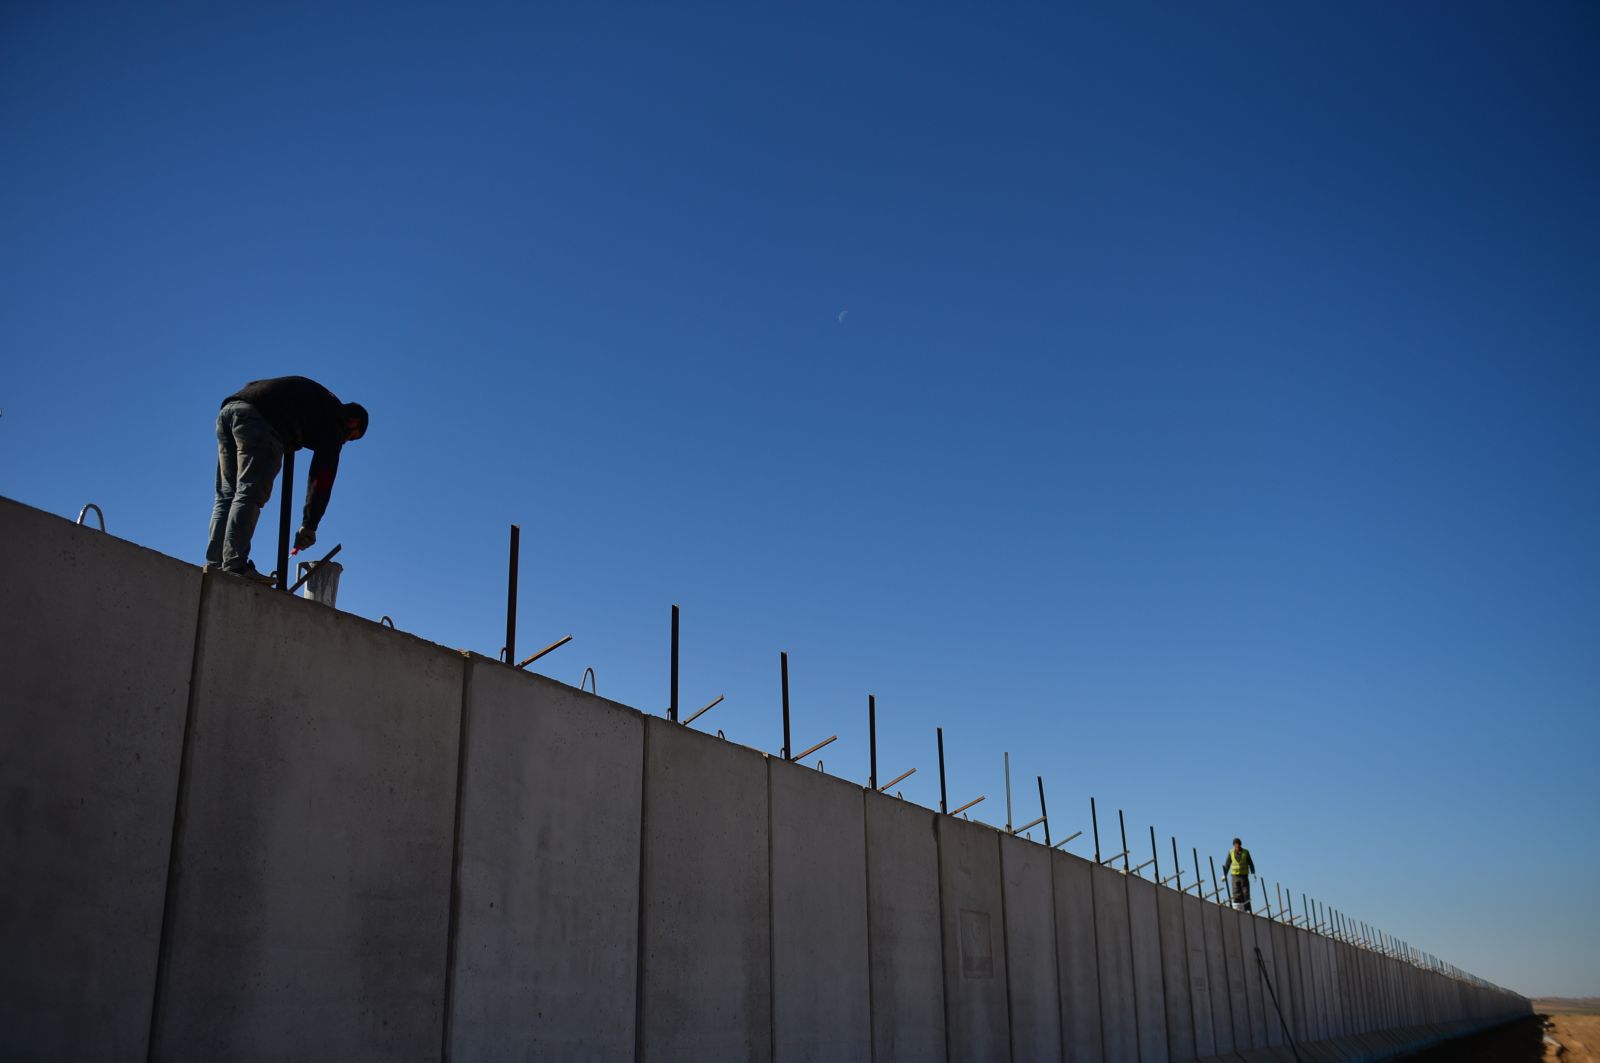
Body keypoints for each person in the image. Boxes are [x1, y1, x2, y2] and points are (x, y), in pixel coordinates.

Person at [205, 376, 368, 583]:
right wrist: (310, 524)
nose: (344, 441)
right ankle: (234, 566)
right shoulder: (335, 422)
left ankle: (215, 564)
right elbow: (323, 476)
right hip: (262, 420)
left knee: (227, 496)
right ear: (354, 422)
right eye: (351, 437)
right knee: (250, 492)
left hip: (232, 410)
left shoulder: (320, 404)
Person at [1224, 837, 1256, 911]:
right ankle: (1237, 908)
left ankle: (1247, 909)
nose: (1237, 847)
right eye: (1235, 845)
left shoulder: (1245, 852)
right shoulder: (1231, 852)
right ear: (1234, 846)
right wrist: (1224, 874)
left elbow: (1250, 863)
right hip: (1235, 876)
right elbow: (1227, 864)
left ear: (1240, 845)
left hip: (1244, 876)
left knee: (1245, 893)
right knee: (1236, 893)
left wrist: (1253, 873)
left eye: (1238, 845)